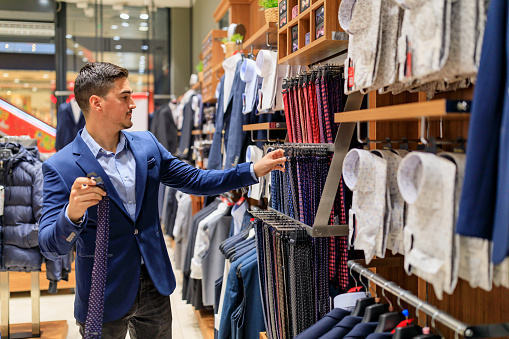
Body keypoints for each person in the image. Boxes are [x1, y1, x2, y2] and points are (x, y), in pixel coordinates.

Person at [38, 62, 286, 339]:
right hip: (104, 291)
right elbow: (50, 246)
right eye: (125, 97)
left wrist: (252, 170)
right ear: (97, 103)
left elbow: (197, 180)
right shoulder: (59, 166)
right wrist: (71, 213)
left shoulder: (147, 144)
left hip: (154, 283)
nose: (133, 104)